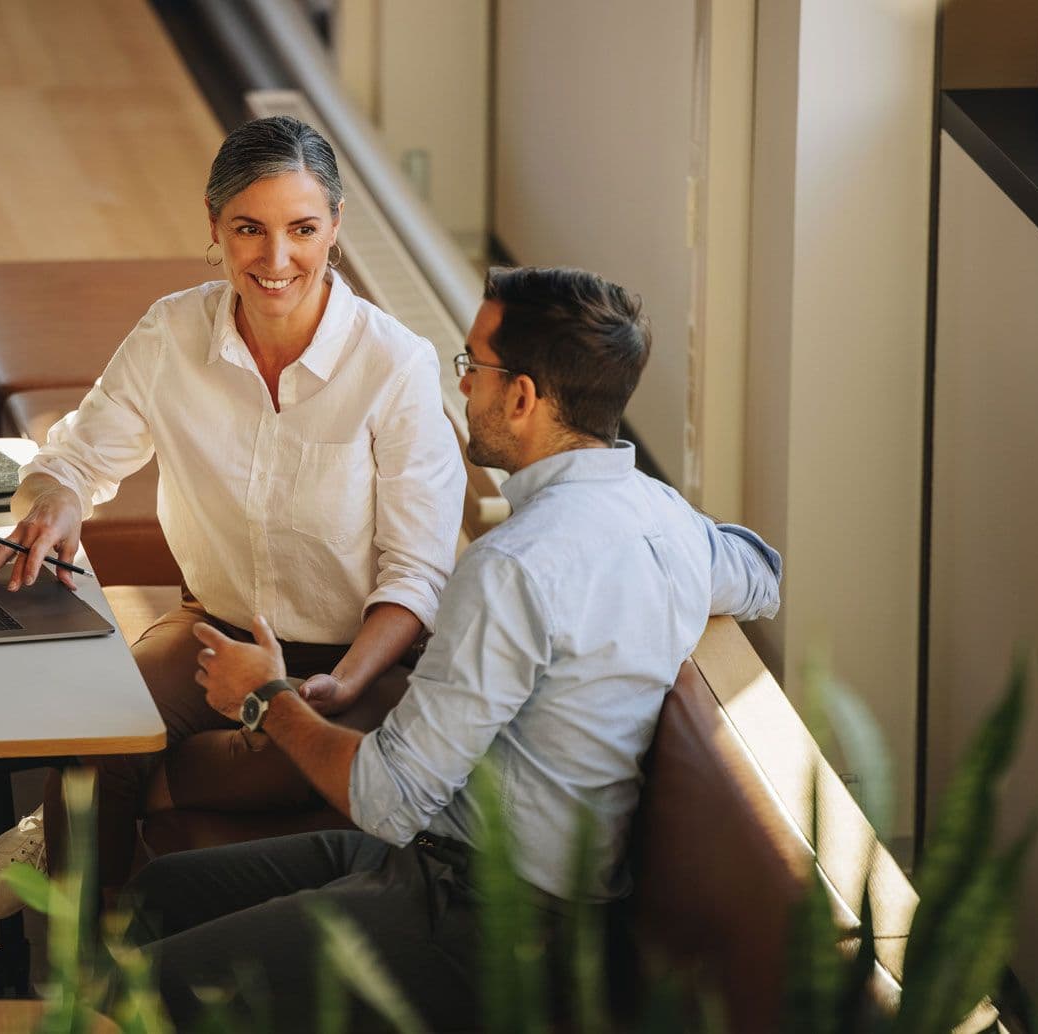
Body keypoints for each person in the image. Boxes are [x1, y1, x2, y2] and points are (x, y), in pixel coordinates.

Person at [125, 267, 785, 1028]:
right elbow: (761, 574)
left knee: (142, 988)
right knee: (159, 893)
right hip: (452, 866)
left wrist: (266, 697)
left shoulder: (512, 567)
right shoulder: (664, 519)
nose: (462, 386)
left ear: (523, 397)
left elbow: (383, 797)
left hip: (486, 926)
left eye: (472, 366)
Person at [0, 115, 468, 915]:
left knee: (291, 754)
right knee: (96, 727)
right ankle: (81, 981)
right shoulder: (172, 333)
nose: (277, 260)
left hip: (359, 657)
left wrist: (333, 687)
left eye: (303, 229)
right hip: (213, 633)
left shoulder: (394, 366)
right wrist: (57, 502)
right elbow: (73, 460)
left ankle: (124, 797)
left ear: (335, 228)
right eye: (249, 229)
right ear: (214, 227)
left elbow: (417, 576)